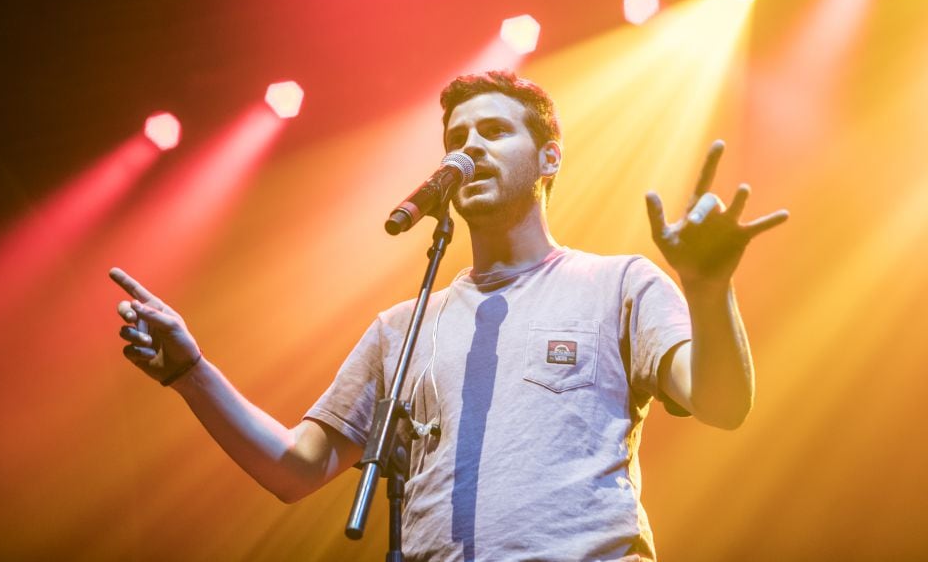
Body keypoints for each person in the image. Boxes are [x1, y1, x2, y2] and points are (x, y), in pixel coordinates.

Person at [111, 71, 788, 561]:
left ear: (550, 157)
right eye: (457, 136)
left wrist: (707, 286)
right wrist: (191, 371)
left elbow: (722, 403)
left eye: (495, 130)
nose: (470, 148)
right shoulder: (399, 329)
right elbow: (295, 468)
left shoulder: (617, 283)